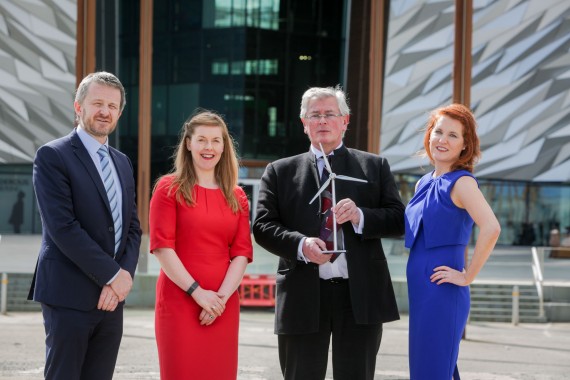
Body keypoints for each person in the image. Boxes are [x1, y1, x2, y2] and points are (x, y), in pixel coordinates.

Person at [253, 86, 405, 380]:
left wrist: (361, 215)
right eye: (315, 115)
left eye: (329, 114)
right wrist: (300, 245)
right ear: (304, 123)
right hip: (302, 293)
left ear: (345, 120)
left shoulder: (374, 166)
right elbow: (262, 226)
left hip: (359, 295)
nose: (322, 121)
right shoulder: (279, 171)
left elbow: (399, 219)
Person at [28, 71, 142, 380]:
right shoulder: (53, 156)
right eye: (97, 103)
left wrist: (124, 278)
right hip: (69, 294)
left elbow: (132, 228)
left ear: (119, 111)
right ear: (78, 107)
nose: (105, 111)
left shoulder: (122, 162)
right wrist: (112, 274)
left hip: (112, 298)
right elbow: (62, 227)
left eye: (113, 105)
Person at [149, 110, 253, 380]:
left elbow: (242, 252)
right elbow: (162, 248)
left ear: (224, 146)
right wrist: (198, 294)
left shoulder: (237, 195)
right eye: (202, 140)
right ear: (188, 143)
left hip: (223, 304)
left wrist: (220, 299)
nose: (209, 147)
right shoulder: (168, 188)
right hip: (180, 301)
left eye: (216, 141)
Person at [405, 103, 501, 379]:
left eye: (453, 135)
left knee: (431, 372)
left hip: (442, 293)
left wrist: (468, 276)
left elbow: (491, 228)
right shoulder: (422, 183)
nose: (442, 140)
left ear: (464, 145)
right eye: (438, 132)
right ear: (429, 135)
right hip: (421, 291)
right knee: (434, 370)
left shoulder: (462, 183)